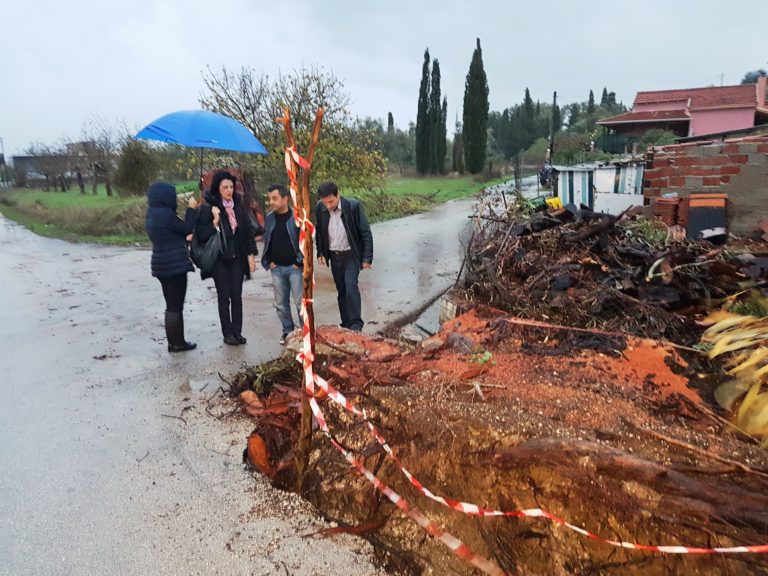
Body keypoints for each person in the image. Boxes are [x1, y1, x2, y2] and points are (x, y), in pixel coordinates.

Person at [195, 171, 258, 346]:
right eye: (225, 187)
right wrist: (215, 220)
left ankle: (237, 332)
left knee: (237, 296)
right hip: (219, 259)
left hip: (237, 257)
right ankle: (227, 333)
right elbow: (201, 234)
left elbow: (247, 231)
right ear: (218, 189)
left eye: (231, 186)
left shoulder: (238, 206)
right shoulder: (209, 207)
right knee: (224, 296)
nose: (229, 190)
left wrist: (251, 254)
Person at [145, 181, 199, 352]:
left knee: (170, 305)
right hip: (174, 265)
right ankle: (178, 343)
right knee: (176, 305)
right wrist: (191, 209)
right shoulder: (166, 214)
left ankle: (174, 342)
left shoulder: (152, 213)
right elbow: (186, 228)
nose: (174, 199)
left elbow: (172, 234)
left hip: (160, 264)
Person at [315, 181, 373, 332]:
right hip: (335, 256)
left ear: (338, 195)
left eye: (331, 201)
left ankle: (356, 324)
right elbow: (320, 232)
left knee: (350, 286)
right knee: (341, 290)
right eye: (325, 202)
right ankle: (345, 322)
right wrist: (321, 252)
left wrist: (367, 257)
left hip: (351, 254)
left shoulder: (353, 206)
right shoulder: (320, 209)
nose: (328, 205)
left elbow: (365, 232)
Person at [262, 184, 303, 344]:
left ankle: (305, 332)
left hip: (294, 269)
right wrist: (269, 261)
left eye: (274, 198)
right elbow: (268, 240)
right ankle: (288, 331)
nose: (271, 202)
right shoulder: (270, 218)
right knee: (281, 304)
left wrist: (299, 261)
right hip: (277, 268)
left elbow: (304, 240)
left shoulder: (296, 217)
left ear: (285, 199)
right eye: (269, 198)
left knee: (300, 303)